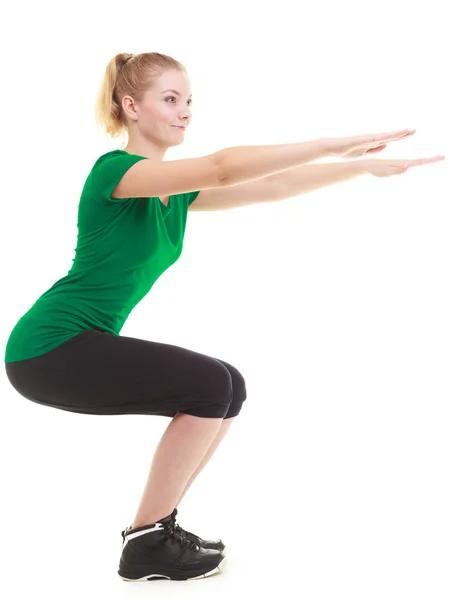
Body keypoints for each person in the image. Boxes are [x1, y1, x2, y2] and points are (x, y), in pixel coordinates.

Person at [3, 51, 445, 582]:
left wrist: (360, 167)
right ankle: (146, 541)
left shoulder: (173, 192)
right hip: (50, 346)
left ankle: (158, 532)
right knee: (209, 384)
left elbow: (271, 187)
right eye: (170, 99)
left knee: (228, 386)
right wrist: (335, 142)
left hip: (76, 344)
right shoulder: (115, 172)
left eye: (189, 100)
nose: (185, 110)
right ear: (131, 106)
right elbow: (222, 166)